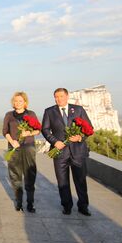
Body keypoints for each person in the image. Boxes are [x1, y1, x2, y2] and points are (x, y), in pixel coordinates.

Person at [41, 88, 93, 216]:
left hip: (78, 151)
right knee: (62, 181)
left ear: (67, 96)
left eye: (61, 96)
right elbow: (45, 129)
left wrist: (80, 137)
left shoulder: (78, 110)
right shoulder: (49, 111)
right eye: (56, 97)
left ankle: (83, 206)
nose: (59, 99)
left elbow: (89, 128)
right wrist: (54, 142)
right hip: (59, 152)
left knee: (80, 180)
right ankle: (67, 206)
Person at [2, 92, 39, 212]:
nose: (17, 103)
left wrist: (28, 133)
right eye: (16, 101)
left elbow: (38, 130)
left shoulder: (31, 114)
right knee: (14, 175)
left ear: (25, 102)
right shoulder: (9, 115)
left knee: (30, 174)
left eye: (20, 101)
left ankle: (30, 202)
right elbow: (5, 131)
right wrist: (12, 141)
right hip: (14, 148)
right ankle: (18, 201)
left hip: (28, 147)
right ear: (13, 102)